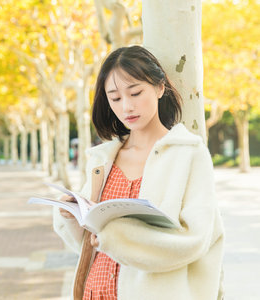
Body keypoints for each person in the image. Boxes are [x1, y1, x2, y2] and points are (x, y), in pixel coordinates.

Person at [52, 45, 224, 300]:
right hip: (93, 291)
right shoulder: (102, 159)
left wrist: (119, 239)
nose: (127, 107)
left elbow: (195, 240)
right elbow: (90, 244)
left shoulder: (188, 154)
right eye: (115, 98)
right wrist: (71, 215)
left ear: (159, 87)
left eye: (135, 92)